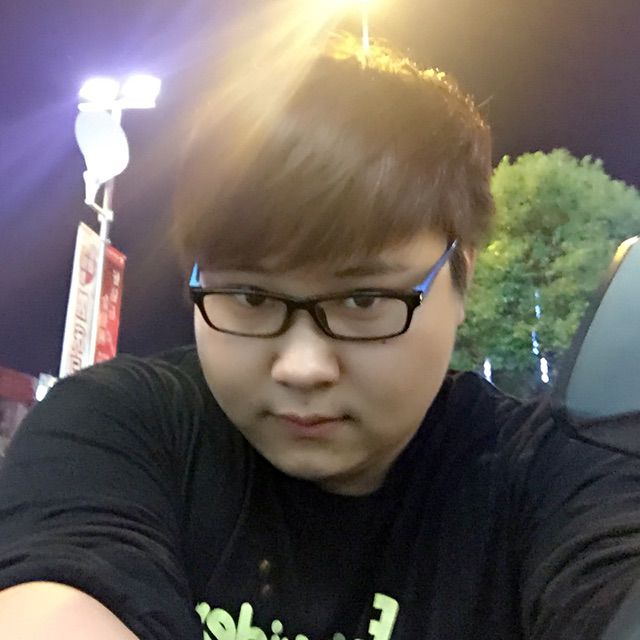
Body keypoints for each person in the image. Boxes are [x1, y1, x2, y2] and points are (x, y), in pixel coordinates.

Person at [0, 30, 639, 640]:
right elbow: (53, 597)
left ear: (462, 276)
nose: (302, 367)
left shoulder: (555, 481)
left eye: (364, 299)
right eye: (251, 297)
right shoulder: (121, 429)